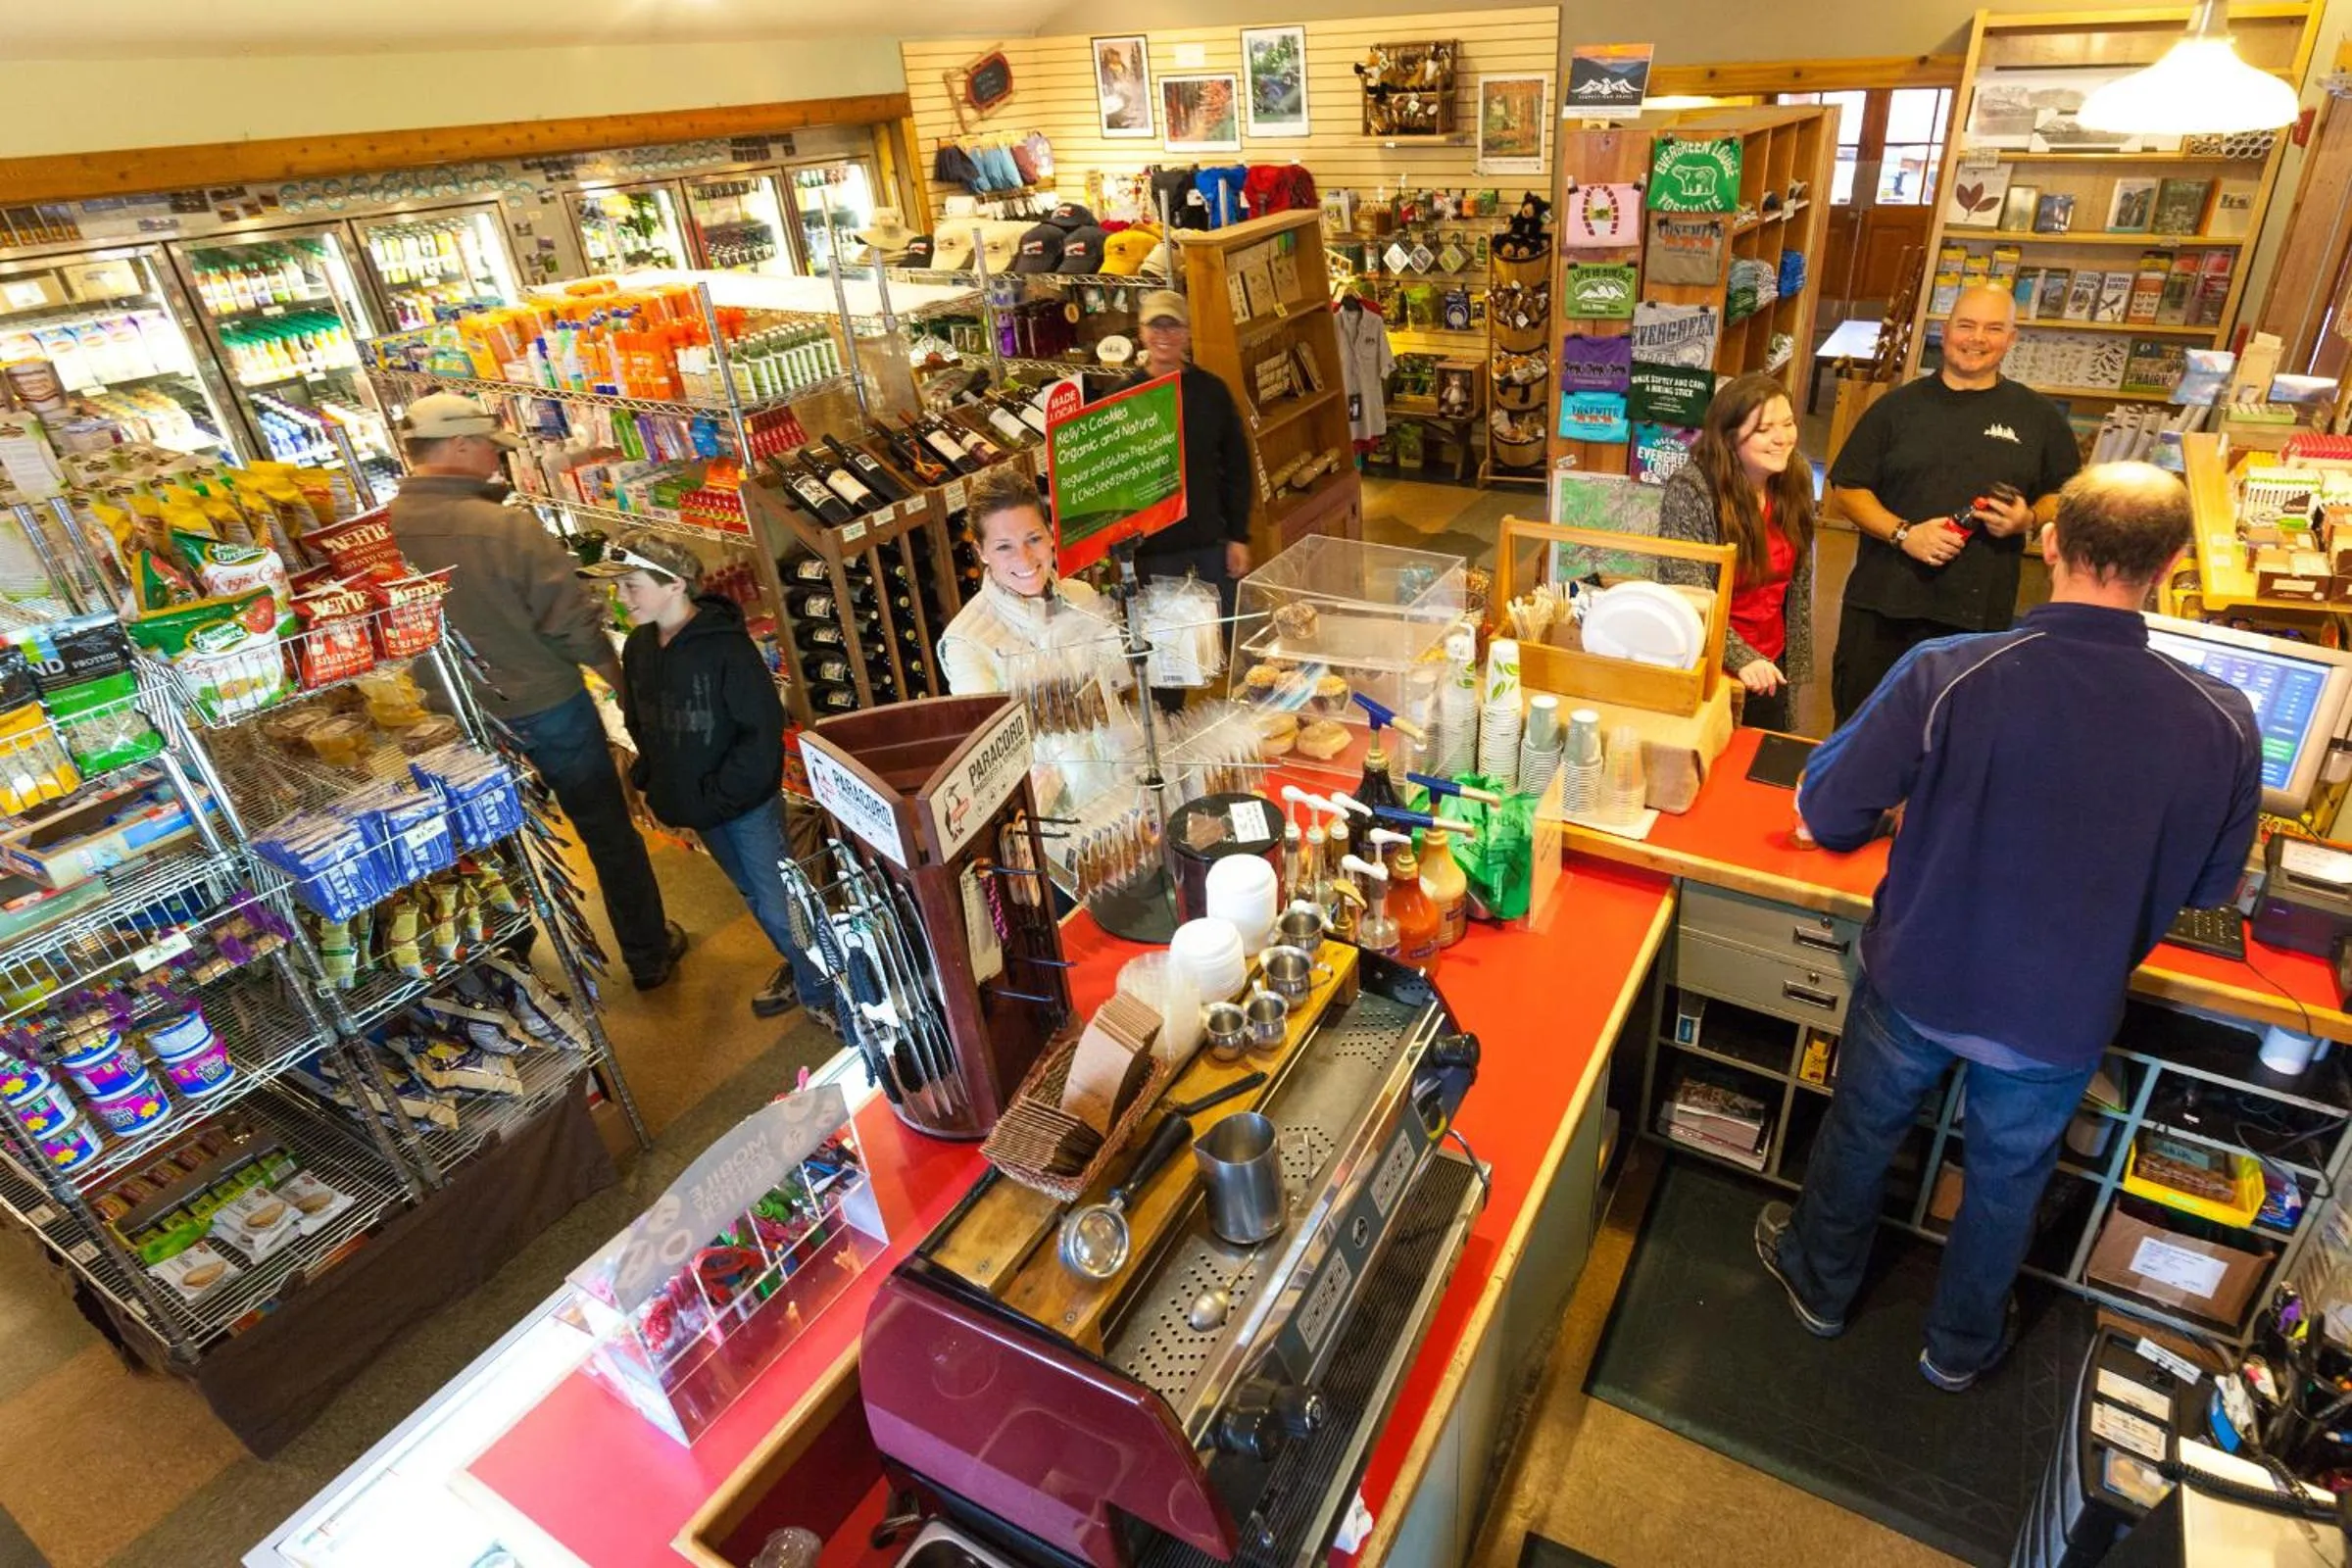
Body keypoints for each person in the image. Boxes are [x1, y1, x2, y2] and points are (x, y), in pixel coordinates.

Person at [1757, 463, 2260, 1392]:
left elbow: (1828, 814)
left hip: (1918, 976)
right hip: (2061, 1014)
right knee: (2008, 1180)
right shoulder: (2225, 720)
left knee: (1864, 1133)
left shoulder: (1949, 672)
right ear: (2174, 564)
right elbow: (2211, 888)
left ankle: (1819, 1286)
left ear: (2050, 541)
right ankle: (1959, 1348)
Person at [387, 393, 685, 991]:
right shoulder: (502, 526)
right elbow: (570, 623)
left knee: (490, 843)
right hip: (547, 707)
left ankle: (512, 959)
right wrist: (623, 685)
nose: (496, 463)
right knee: (604, 828)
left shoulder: (385, 530)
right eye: (490, 449)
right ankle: (648, 953)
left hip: (450, 717)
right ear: (461, 445)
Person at [582, 534, 825, 1023]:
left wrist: (717, 795)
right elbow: (641, 719)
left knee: (779, 903)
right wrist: (653, 778)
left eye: (632, 586)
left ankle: (830, 991)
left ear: (674, 585)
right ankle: (805, 970)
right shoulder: (642, 647)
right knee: (754, 894)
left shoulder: (728, 650)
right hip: (702, 807)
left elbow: (760, 734)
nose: (622, 598)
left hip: (745, 806)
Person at [1828, 285, 2082, 722]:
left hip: (1976, 617)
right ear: (1944, 333)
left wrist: (2028, 518)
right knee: (1861, 727)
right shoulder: (1896, 409)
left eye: (1993, 328)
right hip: (1882, 608)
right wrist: (1905, 533)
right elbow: (1847, 488)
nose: (1977, 338)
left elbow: (2067, 492)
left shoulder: (2039, 418)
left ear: (2012, 338)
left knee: (1954, 737)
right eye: (1966, 325)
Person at [1656, 373, 1816, 733]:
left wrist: (1785, 659)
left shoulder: (1796, 476)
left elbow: (1799, 584)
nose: (1782, 438)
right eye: (1763, 429)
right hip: (1713, 662)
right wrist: (1741, 657)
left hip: (1772, 658)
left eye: (1788, 424)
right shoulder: (1692, 489)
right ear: (1729, 438)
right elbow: (1688, 591)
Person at [1127, 289, 1252, 711]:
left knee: (1235, 649)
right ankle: (1171, 732)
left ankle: (1247, 730)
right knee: (1167, 664)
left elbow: (1237, 466)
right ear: (1141, 331)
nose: (1164, 334)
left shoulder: (1210, 391)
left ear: (1187, 332)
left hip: (1209, 545)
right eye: (1155, 325)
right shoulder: (1120, 398)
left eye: (1173, 325)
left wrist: (1238, 536)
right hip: (1153, 553)